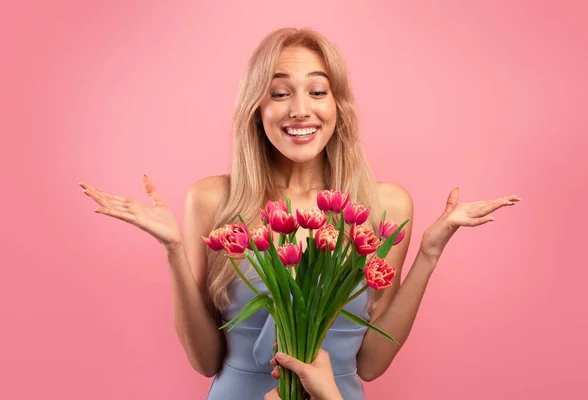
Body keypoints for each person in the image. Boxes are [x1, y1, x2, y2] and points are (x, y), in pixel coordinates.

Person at [79, 27, 520, 399]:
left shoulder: (384, 206)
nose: (300, 110)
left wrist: (428, 253)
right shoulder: (214, 200)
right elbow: (204, 360)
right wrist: (173, 249)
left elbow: (370, 363)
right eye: (279, 92)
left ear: (338, 107)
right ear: (258, 109)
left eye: (317, 91)